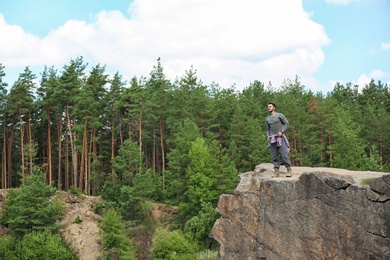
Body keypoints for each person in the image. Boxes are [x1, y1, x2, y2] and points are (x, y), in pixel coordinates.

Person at [266, 102, 292, 177]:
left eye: (270, 106)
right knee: (274, 156)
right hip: (272, 139)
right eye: (268, 107)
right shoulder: (267, 118)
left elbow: (286, 123)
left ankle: (289, 170)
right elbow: (267, 129)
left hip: (280, 138)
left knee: (284, 155)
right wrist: (268, 135)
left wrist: (282, 131)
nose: (269, 108)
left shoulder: (279, 115)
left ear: (274, 108)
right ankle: (276, 172)